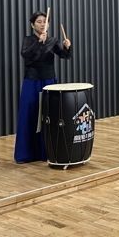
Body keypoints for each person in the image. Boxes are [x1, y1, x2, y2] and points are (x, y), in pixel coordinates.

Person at [14, 11, 72, 163]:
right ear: (32, 25)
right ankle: (26, 154)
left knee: (48, 117)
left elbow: (65, 56)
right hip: (32, 82)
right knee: (29, 115)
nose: (42, 24)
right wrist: (40, 42)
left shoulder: (52, 40)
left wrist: (67, 47)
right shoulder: (28, 40)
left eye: (45, 22)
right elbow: (27, 57)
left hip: (49, 82)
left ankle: (46, 152)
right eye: (39, 21)